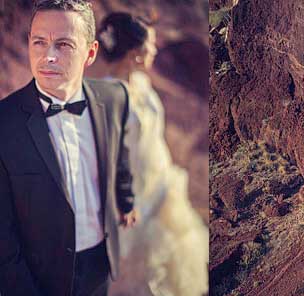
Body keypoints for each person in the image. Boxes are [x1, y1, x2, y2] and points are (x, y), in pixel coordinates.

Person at [0, 1, 138, 295]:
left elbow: (120, 157)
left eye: (63, 45)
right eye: (40, 42)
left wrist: (126, 199)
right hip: (36, 277)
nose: (48, 57)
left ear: (90, 53)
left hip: (99, 264)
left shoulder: (115, 98)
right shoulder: (4, 122)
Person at [96, 12, 208, 296]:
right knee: (141, 276)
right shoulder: (106, 99)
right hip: (134, 202)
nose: (155, 49)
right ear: (134, 52)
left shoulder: (142, 85)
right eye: (150, 44)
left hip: (162, 187)